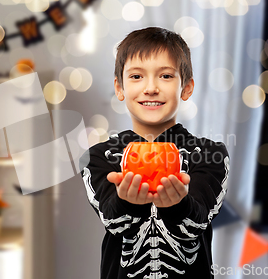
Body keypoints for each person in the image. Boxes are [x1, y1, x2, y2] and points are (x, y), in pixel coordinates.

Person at [79, 26, 230, 278]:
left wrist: (177, 205)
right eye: (136, 77)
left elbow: (197, 221)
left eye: (166, 76)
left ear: (186, 88)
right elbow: (113, 221)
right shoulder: (98, 156)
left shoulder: (210, 153)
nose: (150, 88)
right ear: (119, 88)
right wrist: (127, 202)